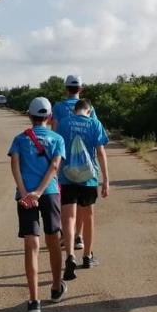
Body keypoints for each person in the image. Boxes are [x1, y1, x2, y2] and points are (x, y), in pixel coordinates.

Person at [8, 96, 66, 312]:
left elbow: (14, 166)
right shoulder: (57, 138)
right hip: (49, 193)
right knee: (53, 239)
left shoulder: (19, 139)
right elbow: (54, 166)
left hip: (25, 198)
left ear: (29, 115)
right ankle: (55, 287)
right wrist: (39, 192)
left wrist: (25, 193)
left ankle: (34, 300)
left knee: (32, 244)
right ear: (49, 116)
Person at [57, 98, 110, 278]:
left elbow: (57, 150)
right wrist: (106, 180)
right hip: (89, 178)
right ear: (89, 110)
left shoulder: (63, 123)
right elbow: (101, 153)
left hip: (67, 176)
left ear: (75, 110)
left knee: (69, 218)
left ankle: (70, 255)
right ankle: (87, 256)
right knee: (88, 217)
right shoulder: (95, 124)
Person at [51, 75, 97, 251]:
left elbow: (54, 133)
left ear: (66, 89)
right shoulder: (89, 108)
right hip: (86, 164)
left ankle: (68, 238)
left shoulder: (59, 107)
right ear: (81, 89)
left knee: (68, 205)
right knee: (83, 205)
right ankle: (79, 236)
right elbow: (94, 130)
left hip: (65, 163)